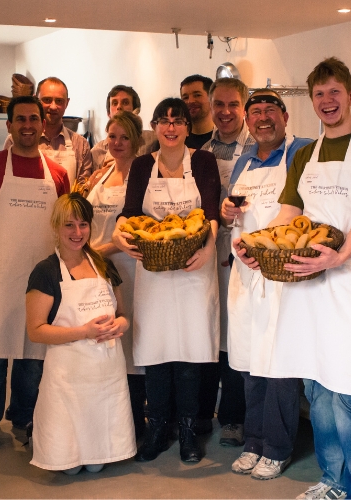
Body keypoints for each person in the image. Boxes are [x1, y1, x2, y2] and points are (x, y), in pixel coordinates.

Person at [236, 58, 351, 499]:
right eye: (319, 94)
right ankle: (331, 481)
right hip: (303, 284)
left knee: (348, 389)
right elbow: (288, 214)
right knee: (316, 387)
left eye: (335, 92)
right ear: (312, 102)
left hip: (346, 283)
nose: (327, 101)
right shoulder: (306, 154)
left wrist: (337, 257)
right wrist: (257, 244)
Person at [113, 98, 221, 463]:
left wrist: (207, 248)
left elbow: (211, 210)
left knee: (191, 350)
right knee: (156, 351)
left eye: (177, 121)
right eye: (164, 121)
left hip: (194, 267)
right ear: (155, 127)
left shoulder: (203, 161)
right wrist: (118, 235)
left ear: (188, 127)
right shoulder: (144, 165)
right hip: (155, 272)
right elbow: (129, 213)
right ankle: (157, 427)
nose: (170, 128)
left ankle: (189, 430)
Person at [0, 95, 71, 460]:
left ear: (43, 125)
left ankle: (25, 421)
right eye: (20, 119)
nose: (28, 125)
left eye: (34, 119)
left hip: (41, 283)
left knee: (33, 358)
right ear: (9, 125)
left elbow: (65, 227)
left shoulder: (57, 173)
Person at [222, 90, 312, 480]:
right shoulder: (243, 160)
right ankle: (254, 440)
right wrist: (227, 212)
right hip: (245, 274)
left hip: (281, 275)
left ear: (285, 116)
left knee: (278, 363)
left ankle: (276, 447)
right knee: (248, 361)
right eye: (255, 112)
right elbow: (238, 216)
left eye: (270, 111)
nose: (263, 118)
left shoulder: (301, 152)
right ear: (247, 119)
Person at [26, 193, 136, 475]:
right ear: (56, 227)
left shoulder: (104, 266)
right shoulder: (46, 272)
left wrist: (120, 326)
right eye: (69, 225)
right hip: (67, 378)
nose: (77, 233)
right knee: (69, 464)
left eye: (83, 225)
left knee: (97, 463)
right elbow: (36, 331)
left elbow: (123, 315)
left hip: (106, 376)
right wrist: (84, 331)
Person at [79, 111, 147, 438]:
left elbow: (136, 232)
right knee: (102, 341)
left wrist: (96, 252)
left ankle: (133, 421)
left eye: (124, 137)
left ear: (136, 141)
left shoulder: (143, 175)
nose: (117, 143)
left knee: (130, 344)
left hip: (129, 270)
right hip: (97, 272)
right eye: (112, 137)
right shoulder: (102, 175)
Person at [196, 77, 254, 446]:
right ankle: (201, 413)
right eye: (219, 104)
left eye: (233, 104)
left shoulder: (258, 149)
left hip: (242, 257)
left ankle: (233, 417)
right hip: (204, 255)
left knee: (234, 338)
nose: (226, 112)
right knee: (206, 334)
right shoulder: (200, 152)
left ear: (244, 108)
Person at [4, 77, 93, 187]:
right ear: (36, 99)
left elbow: (82, 189)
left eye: (59, 101)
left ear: (67, 103)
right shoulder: (15, 139)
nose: (53, 106)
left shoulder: (80, 144)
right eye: (47, 100)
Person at [89, 85, 157, 169]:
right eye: (114, 103)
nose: (119, 107)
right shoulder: (96, 152)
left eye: (125, 102)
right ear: (108, 113)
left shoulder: (152, 140)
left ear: (136, 110)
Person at [180, 75, 215, 149]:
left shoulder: (225, 138)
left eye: (197, 95)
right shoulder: (178, 140)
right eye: (185, 97)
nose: (190, 101)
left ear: (212, 98)